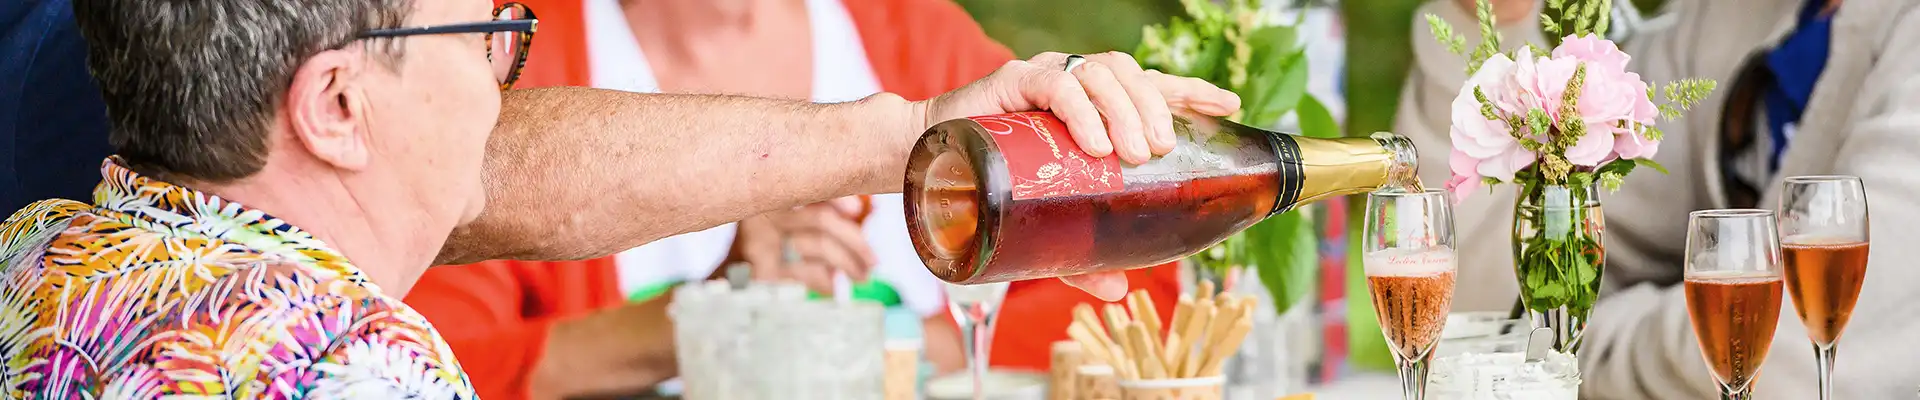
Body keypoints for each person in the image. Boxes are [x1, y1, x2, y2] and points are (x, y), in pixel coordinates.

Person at [0, 0, 1238, 397]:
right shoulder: (359, 368)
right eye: (488, 35)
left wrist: (916, 136)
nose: (511, 75)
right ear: (333, 106)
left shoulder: (35, 249)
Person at [406, 1, 1184, 397]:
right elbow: (419, 360)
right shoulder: (517, 54)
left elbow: (1138, 290)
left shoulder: (909, 32)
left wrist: (902, 346)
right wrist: (708, 317)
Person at [1400, 0, 1920, 397]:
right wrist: (1491, 18)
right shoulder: (1719, 20)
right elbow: (1457, 303)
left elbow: (1795, 356)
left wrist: (1560, 358)